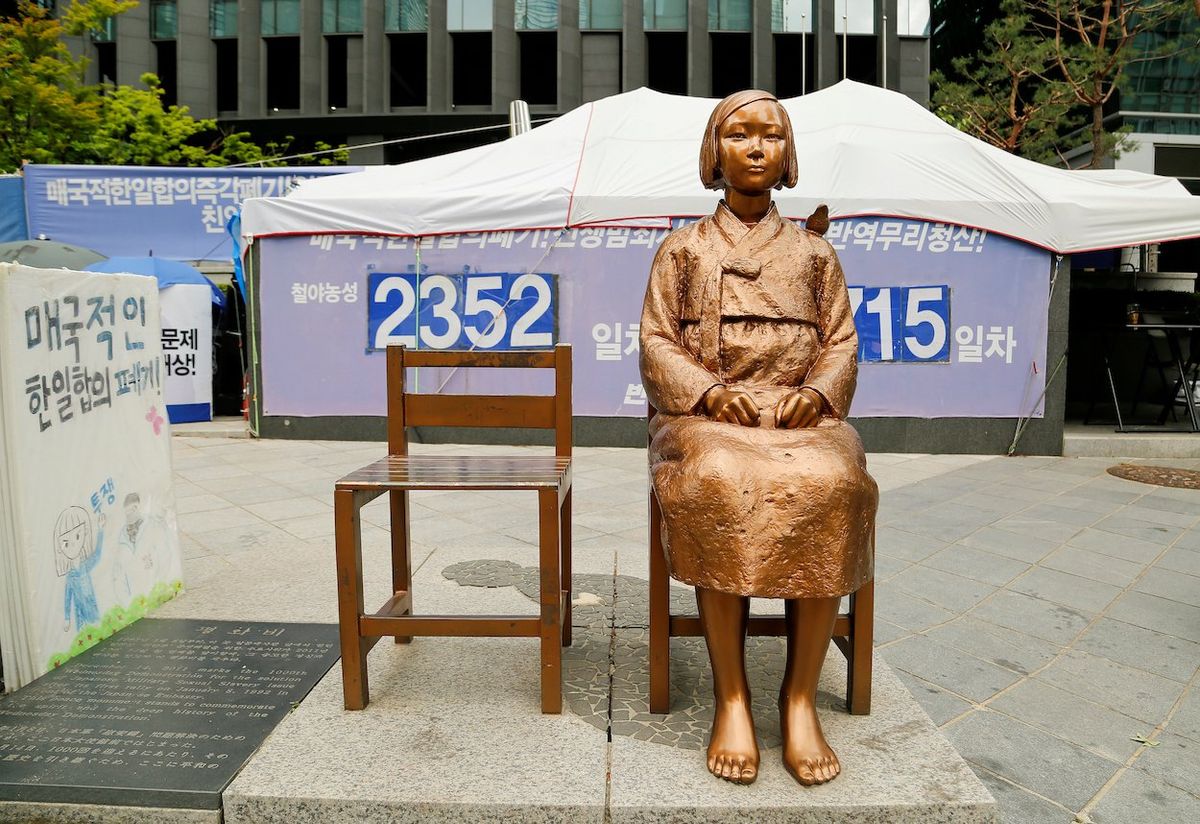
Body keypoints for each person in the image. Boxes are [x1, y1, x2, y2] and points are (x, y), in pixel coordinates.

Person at [639, 90, 877, 787]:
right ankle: (733, 697)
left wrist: (818, 392)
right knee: (718, 480)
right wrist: (709, 392)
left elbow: (841, 341)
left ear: (788, 154)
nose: (754, 147)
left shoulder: (813, 252)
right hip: (708, 418)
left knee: (834, 484)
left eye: (769, 136)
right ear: (715, 151)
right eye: (738, 134)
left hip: (803, 418)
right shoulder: (682, 249)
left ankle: (799, 700)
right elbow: (655, 340)